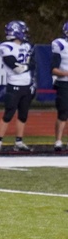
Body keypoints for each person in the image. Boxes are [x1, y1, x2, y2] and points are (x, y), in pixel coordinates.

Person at [0, 21, 34, 151]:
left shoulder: (27, 46)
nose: (25, 34)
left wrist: (24, 66)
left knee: (23, 115)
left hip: (26, 85)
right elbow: (15, 67)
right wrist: (25, 66)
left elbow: (32, 64)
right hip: (14, 84)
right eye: (23, 31)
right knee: (8, 113)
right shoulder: (6, 47)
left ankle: (19, 142)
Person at [53, 23, 68, 151]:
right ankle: (58, 140)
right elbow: (53, 69)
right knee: (63, 112)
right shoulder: (61, 45)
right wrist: (65, 73)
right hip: (64, 83)